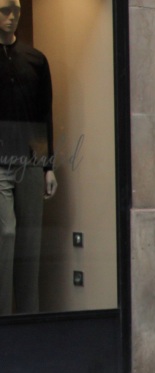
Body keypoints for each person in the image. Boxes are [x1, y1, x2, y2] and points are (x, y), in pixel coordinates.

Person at [0, 0, 55, 315]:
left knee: (30, 241)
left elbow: (43, 114)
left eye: (17, 11)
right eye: (5, 10)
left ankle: (30, 318)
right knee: (6, 233)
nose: (12, 17)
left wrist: (48, 165)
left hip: (30, 161)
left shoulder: (35, 60)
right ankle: (5, 320)